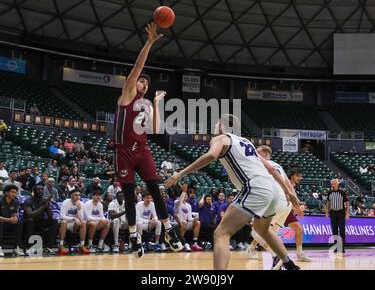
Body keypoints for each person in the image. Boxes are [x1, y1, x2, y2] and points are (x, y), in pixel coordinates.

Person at [166, 114, 301, 270]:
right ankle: (290, 265)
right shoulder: (247, 142)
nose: (215, 127)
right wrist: (287, 191)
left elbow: (211, 155)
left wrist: (181, 173)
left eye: (216, 124)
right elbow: (270, 168)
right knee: (263, 230)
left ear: (222, 126)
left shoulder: (221, 138)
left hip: (255, 187)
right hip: (272, 189)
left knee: (221, 233)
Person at [113, 21, 182, 257]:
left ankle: (168, 229)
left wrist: (156, 103)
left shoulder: (145, 104)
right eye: (143, 80)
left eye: (147, 82)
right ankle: (133, 236)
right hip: (123, 151)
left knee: (156, 188)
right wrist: (150, 42)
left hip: (142, 151)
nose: (144, 83)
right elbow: (137, 67)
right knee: (130, 195)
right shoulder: (128, 94)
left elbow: (155, 129)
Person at [247, 145, 307, 264]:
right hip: (286, 204)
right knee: (270, 232)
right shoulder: (277, 165)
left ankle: (276, 254)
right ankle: (255, 248)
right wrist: (297, 204)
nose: (254, 154)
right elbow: (288, 186)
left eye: (257, 152)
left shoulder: (257, 163)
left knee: (257, 231)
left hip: (271, 201)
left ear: (263, 154)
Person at [282, 168, 311, 262]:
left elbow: (293, 198)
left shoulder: (293, 185)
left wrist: (299, 205)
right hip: (279, 209)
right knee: (267, 231)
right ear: (292, 176)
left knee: (298, 229)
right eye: (298, 176)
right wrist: (298, 207)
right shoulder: (287, 183)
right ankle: (252, 247)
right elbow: (290, 197)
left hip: (286, 210)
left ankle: (299, 253)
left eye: (300, 176)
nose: (300, 178)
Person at [23, 185, 58, 255]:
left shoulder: (44, 200)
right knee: (30, 220)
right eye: (38, 189)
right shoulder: (28, 201)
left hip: (40, 222)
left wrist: (47, 205)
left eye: (42, 189)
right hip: (28, 223)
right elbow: (30, 215)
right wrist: (42, 207)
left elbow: (50, 216)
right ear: (34, 191)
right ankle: (29, 247)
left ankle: (48, 247)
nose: (41, 191)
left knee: (54, 221)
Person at [58, 189, 90, 255]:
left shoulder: (81, 204)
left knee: (83, 222)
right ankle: (61, 246)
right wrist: (74, 218)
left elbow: (81, 219)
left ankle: (82, 245)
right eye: (75, 195)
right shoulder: (66, 202)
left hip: (73, 224)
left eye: (78, 195)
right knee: (64, 222)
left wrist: (79, 209)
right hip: (64, 223)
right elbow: (61, 216)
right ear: (71, 196)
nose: (77, 196)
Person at [174, 184, 203, 252]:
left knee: (198, 222)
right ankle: (181, 243)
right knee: (184, 223)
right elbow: (180, 200)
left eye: (186, 195)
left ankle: (194, 243)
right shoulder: (176, 202)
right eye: (184, 195)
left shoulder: (189, 205)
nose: (185, 196)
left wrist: (194, 219)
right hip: (177, 223)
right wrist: (184, 192)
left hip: (186, 223)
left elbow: (189, 218)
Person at [326, 178, 349, 255]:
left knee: (342, 230)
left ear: (337, 184)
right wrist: (327, 212)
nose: (333, 185)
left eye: (334, 184)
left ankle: (342, 248)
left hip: (341, 212)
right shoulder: (329, 193)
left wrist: (347, 213)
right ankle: (336, 247)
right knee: (334, 230)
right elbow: (328, 203)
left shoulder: (342, 192)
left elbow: (347, 203)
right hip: (333, 213)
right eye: (332, 184)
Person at [0, 185, 24, 256]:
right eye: (12, 192)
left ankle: (16, 247)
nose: (14, 194)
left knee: (19, 222)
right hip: (2, 221)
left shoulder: (15, 201)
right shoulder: (0, 200)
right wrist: (8, 219)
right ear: (7, 193)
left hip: (8, 222)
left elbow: (15, 213)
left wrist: (15, 218)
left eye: (15, 192)